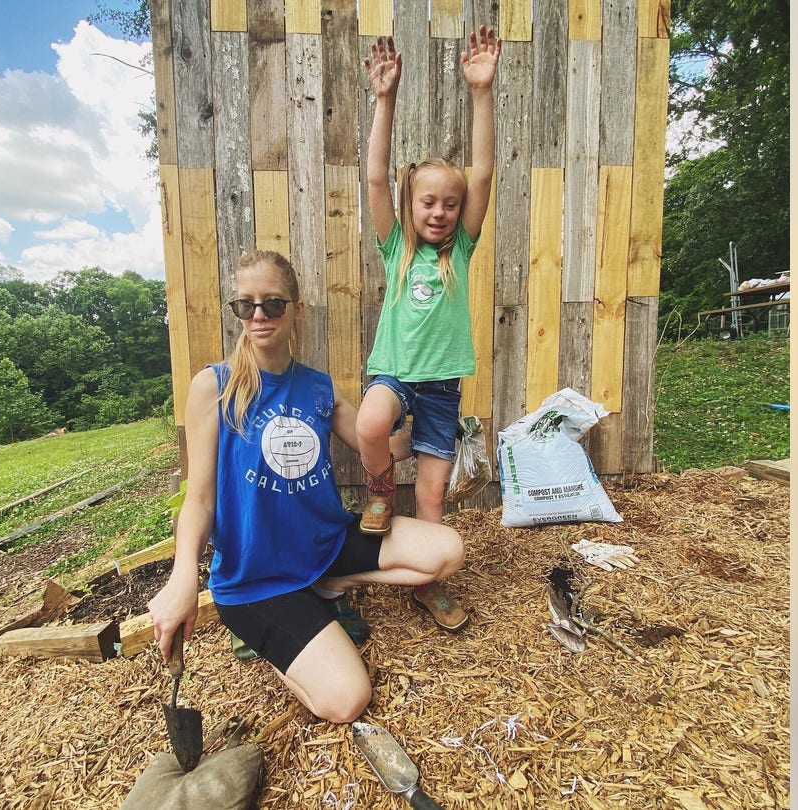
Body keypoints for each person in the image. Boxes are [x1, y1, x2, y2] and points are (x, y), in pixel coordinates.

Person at [147, 251, 465, 724]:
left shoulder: (319, 387)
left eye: (272, 304)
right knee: (347, 699)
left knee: (447, 549)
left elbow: (373, 443)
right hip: (256, 579)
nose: (258, 316)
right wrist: (183, 578)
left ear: (297, 309)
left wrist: (439, 434)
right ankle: (275, 639)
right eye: (246, 305)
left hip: (324, 544)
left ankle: (329, 581)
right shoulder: (214, 386)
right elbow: (199, 498)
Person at [355, 27, 500, 632]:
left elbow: (485, 170)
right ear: (411, 206)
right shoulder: (397, 249)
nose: (438, 213)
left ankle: (431, 584)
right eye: (428, 203)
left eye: (448, 203)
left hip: (440, 388)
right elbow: (375, 175)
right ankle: (382, 489)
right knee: (369, 423)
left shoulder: (460, 250)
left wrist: (481, 93)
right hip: (394, 374)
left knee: (436, 499)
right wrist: (384, 100)